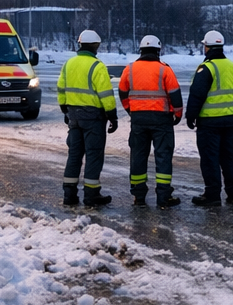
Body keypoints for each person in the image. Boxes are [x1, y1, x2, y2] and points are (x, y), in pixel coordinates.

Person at [118, 34, 183, 209]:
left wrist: (129, 110)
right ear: (158, 51)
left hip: (138, 119)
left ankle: (138, 197)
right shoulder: (165, 70)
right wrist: (178, 114)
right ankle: (163, 197)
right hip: (162, 120)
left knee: (138, 156)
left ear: (141, 50)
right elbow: (175, 95)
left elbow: (123, 92)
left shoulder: (129, 69)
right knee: (163, 157)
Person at [185, 29, 233, 207]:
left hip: (209, 123)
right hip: (230, 121)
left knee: (210, 158)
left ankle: (212, 195)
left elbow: (196, 95)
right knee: (229, 157)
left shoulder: (206, 68)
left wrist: (191, 117)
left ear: (207, 47)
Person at [57, 29, 117, 206]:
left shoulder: (69, 64)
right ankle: (91, 195)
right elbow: (106, 94)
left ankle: (69, 195)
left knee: (74, 155)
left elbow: (61, 88)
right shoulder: (97, 66)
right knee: (93, 155)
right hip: (93, 118)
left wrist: (65, 109)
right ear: (95, 46)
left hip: (74, 116)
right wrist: (113, 116)